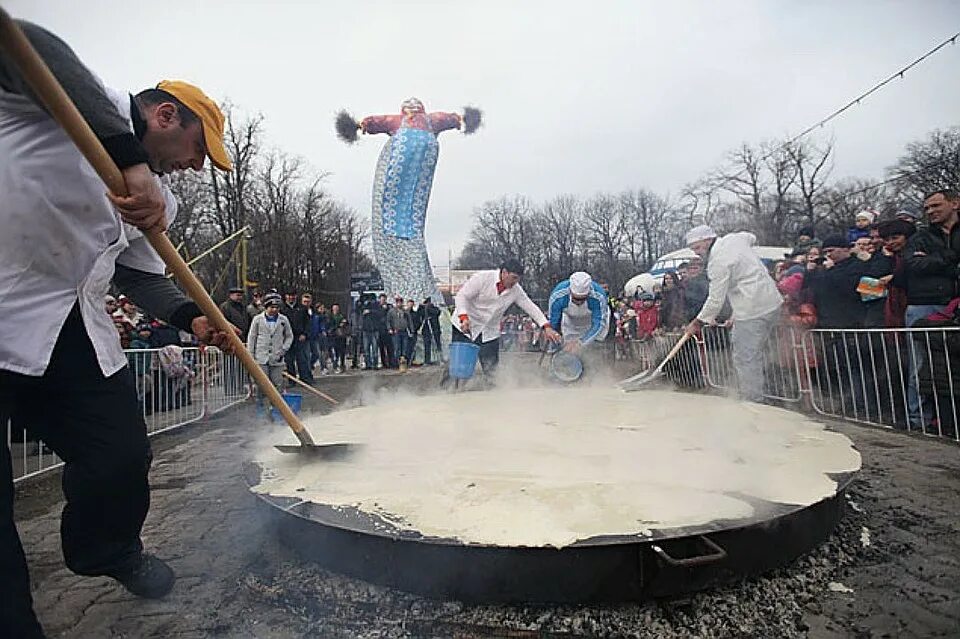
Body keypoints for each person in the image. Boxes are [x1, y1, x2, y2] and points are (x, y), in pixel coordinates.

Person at [0, 20, 236, 638]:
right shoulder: (66, 100)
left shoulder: (164, 201)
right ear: (164, 116)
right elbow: (21, 36)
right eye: (196, 150)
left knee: (121, 457)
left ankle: (105, 549)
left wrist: (193, 318)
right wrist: (128, 164)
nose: (194, 168)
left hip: (70, 328)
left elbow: (138, 277)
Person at [684, 225, 783, 403]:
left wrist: (698, 322)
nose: (697, 253)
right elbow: (751, 236)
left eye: (698, 248)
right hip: (773, 301)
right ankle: (771, 392)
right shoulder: (735, 239)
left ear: (708, 240)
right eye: (693, 250)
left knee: (745, 356)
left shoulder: (717, 263)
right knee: (765, 352)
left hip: (752, 309)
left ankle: (753, 400)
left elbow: (715, 299)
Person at [902, 189, 960, 428]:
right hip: (924, 305)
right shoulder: (921, 236)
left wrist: (934, 260)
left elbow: (925, 262)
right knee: (920, 367)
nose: (930, 212)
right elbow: (913, 264)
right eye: (926, 208)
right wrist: (950, 258)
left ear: (955, 203)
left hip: (954, 303)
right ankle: (919, 421)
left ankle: (948, 421)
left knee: (952, 369)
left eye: (936, 206)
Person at [451, 259, 560, 380]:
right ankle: (448, 390)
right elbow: (462, 296)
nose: (515, 282)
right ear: (504, 273)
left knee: (492, 370)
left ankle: (494, 393)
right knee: (458, 367)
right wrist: (463, 317)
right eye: (513, 278)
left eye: (518, 279)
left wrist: (546, 326)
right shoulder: (482, 278)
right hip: (466, 326)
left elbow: (530, 306)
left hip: (489, 331)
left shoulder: (516, 290)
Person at [546, 271, 610, 354]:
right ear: (570, 291)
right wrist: (555, 343)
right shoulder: (558, 296)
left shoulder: (599, 296)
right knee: (569, 352)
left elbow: (598, 324)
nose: (579, 302)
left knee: (593, 351)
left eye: (583, 299)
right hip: (571, 323)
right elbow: (553, 322)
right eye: (575, 299)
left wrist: (581, 343)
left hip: (592, 324)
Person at [247, 293, 294, 396]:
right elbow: (252, 337)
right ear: (266, 307)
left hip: (277, 357)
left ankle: (276, 408)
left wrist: (284, 349)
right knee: (261, 384)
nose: (274, 310)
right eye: (271, 307)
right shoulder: (257, 319)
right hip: (261, 357)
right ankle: (261, 407)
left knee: (278, 384)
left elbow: (289, 336)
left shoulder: (283, 320)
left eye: (277, 307)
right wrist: (251, 356)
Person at [421, 297, 442, 364]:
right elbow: (420, 315)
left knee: (437, 344)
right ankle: (427, 360)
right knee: (427, 346)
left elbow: (437, 312)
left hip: (435, 330)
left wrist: (428, 308)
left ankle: (440, 359)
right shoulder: (422, 309)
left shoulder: (435, 309)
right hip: (426, 330)